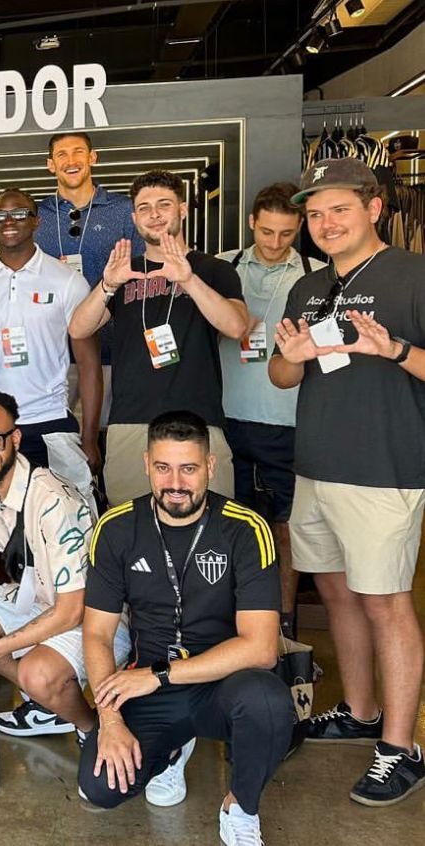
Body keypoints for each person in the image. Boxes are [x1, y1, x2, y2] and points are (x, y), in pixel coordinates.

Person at [270, 158, 425, 806]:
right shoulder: (308, 290)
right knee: (336, 595)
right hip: (316, 468)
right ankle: (359, 711)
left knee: (387, 602)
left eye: (339, 209)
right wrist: (293, 357)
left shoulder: (413, 276)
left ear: (374, 208)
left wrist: (394, 351)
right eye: (315, 214)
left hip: (383, 473)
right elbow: (281, 376)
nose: (325, 223)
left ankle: (401, 746)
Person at [79, 411, 292, 846]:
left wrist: (159, 674)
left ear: (210, 468)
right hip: (148, 689)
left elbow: (261, 649)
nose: (175, 482)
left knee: (268, 702)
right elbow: (97, 634)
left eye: (189, 468)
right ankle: (172, 750)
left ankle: (241, 807)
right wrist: (109, 717)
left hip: (221, 683)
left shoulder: (246, 529)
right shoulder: (116, 528)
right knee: (100, 788)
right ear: (146, 465)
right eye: (163, 467)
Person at [0, 390, 130, 739]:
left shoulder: (54, 500)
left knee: (36, 675)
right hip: (37, 595)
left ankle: (88, 726)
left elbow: (71, 611)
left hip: (93, 613)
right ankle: (49, 704)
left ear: (16, 438)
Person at [69, 169, 248, 506]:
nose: (154, 214)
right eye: (145, 207)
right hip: (130, 425)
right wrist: (108, 285)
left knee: (208, 529)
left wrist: (189, 280)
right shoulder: (124, 271)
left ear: (181, 209)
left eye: (164, 204)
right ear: (135, 218)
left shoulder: (213, 269)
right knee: (130, 531)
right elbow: (79, 328)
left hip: (198, 421)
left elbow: (237, 327)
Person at [218, 183, 324, 638]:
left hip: (289, 422)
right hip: (226, 419)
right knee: (228, 531)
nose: (275, 242)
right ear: (251, 224)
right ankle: (229, 628)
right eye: (266, 232)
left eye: (285, 233)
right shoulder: (221, 268)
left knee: (287, 530)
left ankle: (282, 630)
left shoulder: (320, 277)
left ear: (299, 227)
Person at [0, 188, 101, 481]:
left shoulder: (68, 282)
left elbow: (89, 364)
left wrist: (90, 437)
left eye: (19, 214)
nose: (8, 221)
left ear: (36, 222)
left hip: (52, 421)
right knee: (1, 518)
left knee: (65, 516)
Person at [34, 131, 143, 427]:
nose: (71, 161)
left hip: (112, 354)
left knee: (107, 441)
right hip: (52, 357)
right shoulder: (36, 216)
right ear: (50, 165)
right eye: (62, 155)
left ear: (92, 158)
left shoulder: (124, 211)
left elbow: (141, 274)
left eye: (78, 152)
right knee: (55, 439)